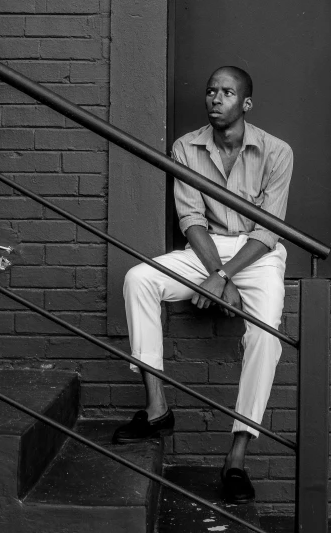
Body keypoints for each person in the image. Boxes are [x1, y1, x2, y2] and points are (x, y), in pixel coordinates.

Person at [112, 66, 293, 503]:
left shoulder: (277, 151)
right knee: (139, 279)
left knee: (266, 335)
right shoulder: (185, 147)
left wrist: (225, 277)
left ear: (245, 103)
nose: (215, 98)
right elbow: (191, 219)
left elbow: (269, 231)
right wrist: (216, 273)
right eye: (211, 91)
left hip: (258, 256)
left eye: (227, 93)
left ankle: (236, 456)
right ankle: (157, 410)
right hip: (206, 251)